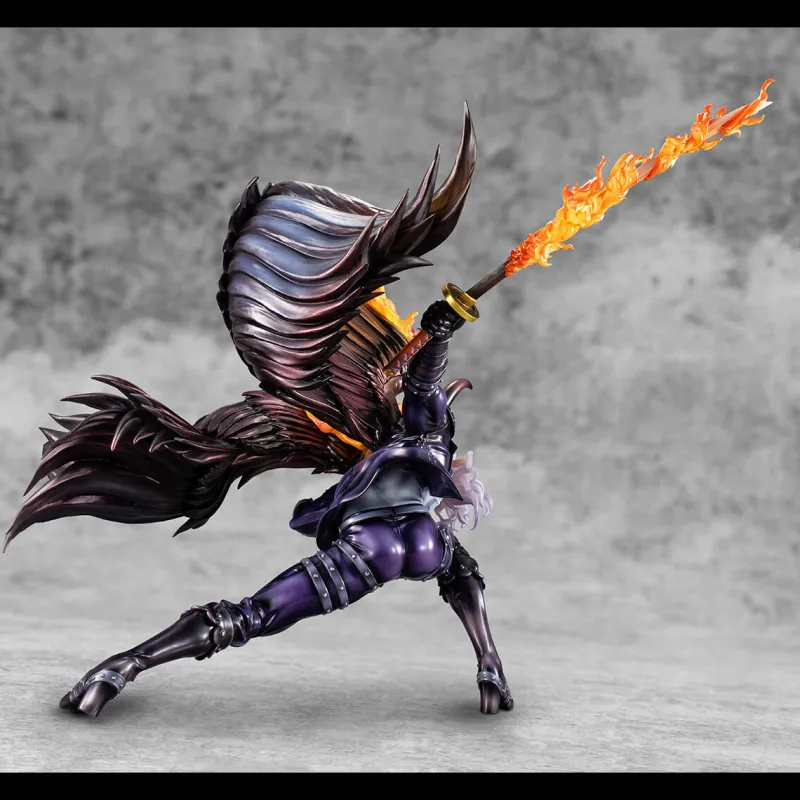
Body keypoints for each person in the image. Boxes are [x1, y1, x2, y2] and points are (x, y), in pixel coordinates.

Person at [5, 105, 513, 718]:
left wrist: (439, 334)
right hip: (389, 546)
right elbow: (426, 391)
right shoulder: (418, 439)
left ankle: (123, 665)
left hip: (384, 545)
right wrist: (438, 333)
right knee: (254, 616)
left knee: (255, 616)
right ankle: (123, 665)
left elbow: (426, 389)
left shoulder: (412, 435)